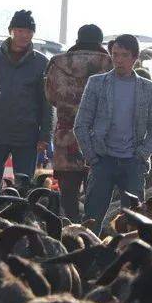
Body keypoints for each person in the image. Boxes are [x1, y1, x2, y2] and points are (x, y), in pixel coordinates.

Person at [73, 33, 152, 232]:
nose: (119, 59)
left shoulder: (147, 88)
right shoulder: (97, 83)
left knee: (134, 223)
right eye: (115, 54)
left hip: (133, 163)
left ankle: (129, 260)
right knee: (91, 220)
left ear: (135, 57)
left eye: (124, 55)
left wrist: (141, 156)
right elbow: (81, 124)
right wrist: (92, 156)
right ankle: (89, 258)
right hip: (103, 161)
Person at [45, 24, 113, 221]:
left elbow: (50, 97)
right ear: (100, 42)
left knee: (68, 195)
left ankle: (71, 232)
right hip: (100, 139)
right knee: (97, 193)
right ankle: (93, 234)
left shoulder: (57, 63)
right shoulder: (110, 64)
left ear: (78, 40)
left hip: (67, 137)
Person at [0, 10, 53, 184]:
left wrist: (44, 136)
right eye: (19, 31)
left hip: (27, 135)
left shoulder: (42, 63)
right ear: (11, 31)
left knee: (24, 185)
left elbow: (46, 102)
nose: (23, 35)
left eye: (28, 32)